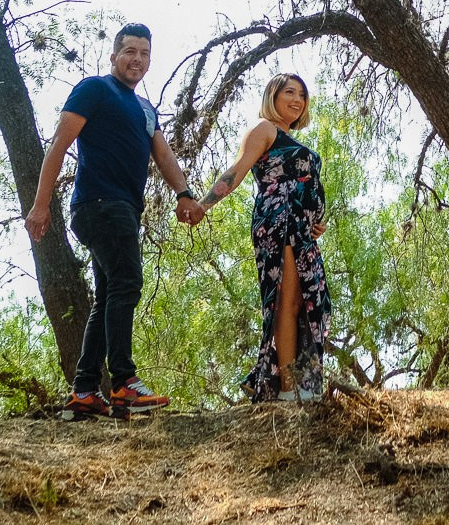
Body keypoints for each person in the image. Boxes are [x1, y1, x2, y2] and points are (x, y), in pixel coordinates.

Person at [26, 22, 197, 416]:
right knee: (126, 282)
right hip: (100, 204)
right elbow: (58, 146)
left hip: (123, 210)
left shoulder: (144, 108)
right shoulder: (95, 89)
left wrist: (184, 194)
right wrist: (40, 204)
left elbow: (165, 156)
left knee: (108, 296)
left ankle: (85, 390)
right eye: (130, 51)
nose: (137, 60)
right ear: (114, 56)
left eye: (144, 54)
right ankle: (123, 383)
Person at [179, 72, 331, 401]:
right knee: (286, 303)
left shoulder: (290, 137)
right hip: (279, 221)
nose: (297, 99)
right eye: (289, 92)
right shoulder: (264, 129)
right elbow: (237, 171)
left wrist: (317, 221)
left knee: (307, 303)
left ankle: (290, 383)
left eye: (302, 95)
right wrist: (204, 205)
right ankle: (287, 389)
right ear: (272, 97)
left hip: (302, 230)